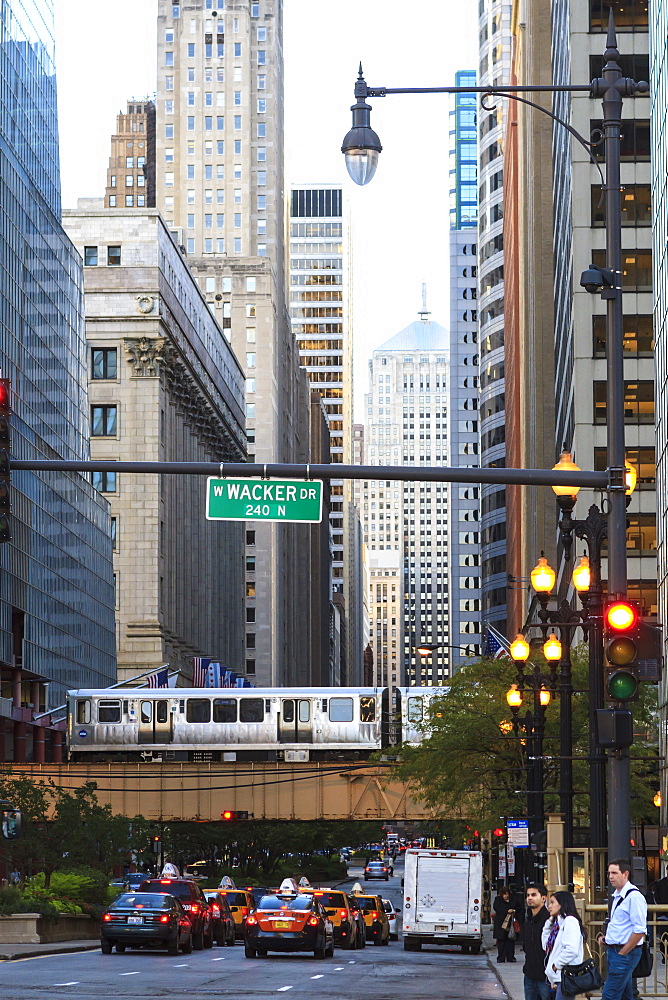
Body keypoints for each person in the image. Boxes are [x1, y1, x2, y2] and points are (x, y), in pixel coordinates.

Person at [596, 858, 648, 1000]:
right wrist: (607, 939)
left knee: (609, 994)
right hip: (616, 950)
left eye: (614, 873)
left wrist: (623, 952)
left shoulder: (634, 897)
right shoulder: (618, 896)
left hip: (624, 952)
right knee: (624, 994)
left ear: (625, 874)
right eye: (609, 873)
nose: (610, 877)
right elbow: (622, 925)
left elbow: (640, 930)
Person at [542, 890, 585, 1000]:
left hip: (566, 976)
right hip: (559, 977)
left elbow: (571, 950)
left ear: (562, 904)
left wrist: (556, 966)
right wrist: (549, 923)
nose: (549, 906)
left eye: (552, 903)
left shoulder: (570, 921)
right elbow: (546, 946)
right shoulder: (558, 924)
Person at [522, 883, 551, 1000]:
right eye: (528, 895)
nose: (529, 898)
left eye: (534, 895)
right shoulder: (528, 919)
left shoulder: (549, 919)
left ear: (543, 898)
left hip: (545, 975)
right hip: (529, 973)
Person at [493, 885, 517, 963]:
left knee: (510, 940)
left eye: (507, 894)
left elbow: (518, 907)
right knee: (501, 941)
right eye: (504, 894)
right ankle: (501, 957)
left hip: (510, 923)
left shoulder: (513, 900)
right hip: (501, 923)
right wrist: (507, 910)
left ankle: (510, 957)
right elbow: (497, 908)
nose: (506, 896)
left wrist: (513, 910)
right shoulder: (498, 900)